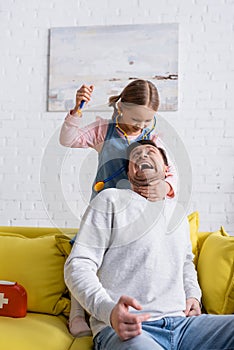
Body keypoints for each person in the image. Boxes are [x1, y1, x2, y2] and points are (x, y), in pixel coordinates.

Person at [64, 140, 234, 350]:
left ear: (166, 169)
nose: (142, 156)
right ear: (128, 174)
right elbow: (78, 266)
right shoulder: (109, 200)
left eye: (150, 151)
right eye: (135, 156)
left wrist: (193, 296)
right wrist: (108, 311)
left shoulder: (177, 213)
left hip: (183, 325)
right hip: (127, 328)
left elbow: (186, 262)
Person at [60, 79, 177, 336]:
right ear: (121, 107)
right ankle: (77, 313)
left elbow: (170, 172)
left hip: (135, 215)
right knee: (86, 255)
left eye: (147, 120)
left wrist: (166, 188)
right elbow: (68, 139)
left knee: (121, 260)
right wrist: (77, 110)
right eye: (137, 118)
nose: (141, 125)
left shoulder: (153, 139)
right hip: (104, 211)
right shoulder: (104, 130)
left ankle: (124, 307)